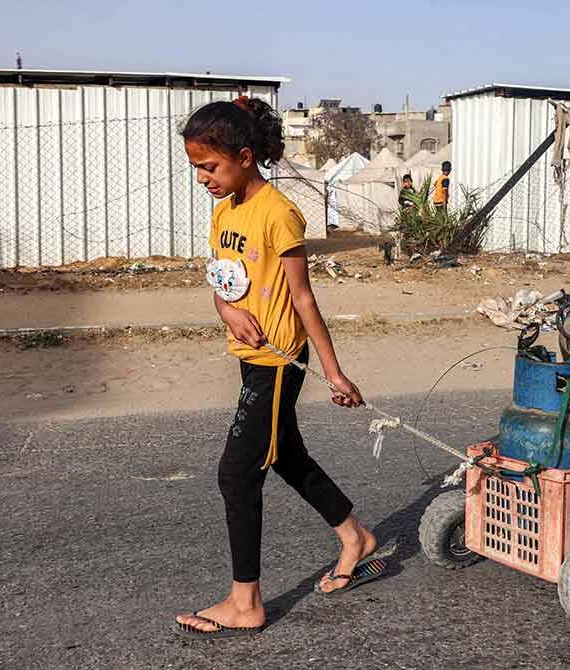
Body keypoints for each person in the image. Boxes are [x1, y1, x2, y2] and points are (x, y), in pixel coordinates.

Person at [174, 96, 382, 639]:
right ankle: (354, 535)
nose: (202, 178)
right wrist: (226, 309)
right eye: (195, 167)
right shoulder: (224, 209)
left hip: (279, 360)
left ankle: (246, 604)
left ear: (245, 156)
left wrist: (334, 373)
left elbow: (304, 299)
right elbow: (221, 277)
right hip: (249, 355)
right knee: (286, 454)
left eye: (209, 166)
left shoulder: (279, 213)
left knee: (237, 474)